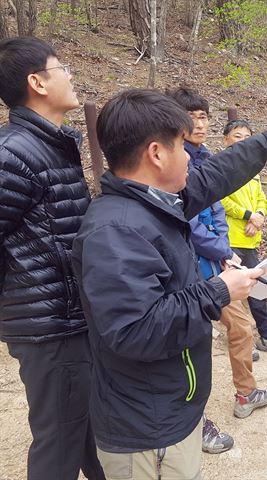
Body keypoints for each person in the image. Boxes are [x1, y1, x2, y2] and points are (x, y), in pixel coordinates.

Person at [70, 89, 267, 480]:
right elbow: (135, 331)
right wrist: (219, 290)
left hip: (168, 408)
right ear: (156, 153)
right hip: (146, 428)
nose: (189, 156)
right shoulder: (115, 231)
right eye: (181, 146)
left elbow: (214, 176)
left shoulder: (156, 202)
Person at [0, 37, 105, 480]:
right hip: (49, 328)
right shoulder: (13, 153)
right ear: (37, 82)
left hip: (67, 319)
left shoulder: (51, 145)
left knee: (88, 433)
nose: (70, 77)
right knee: (59, 446)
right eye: (63, 68)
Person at [167, 88, 267, 450]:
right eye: (192, 116)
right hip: (185, 267)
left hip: (215, 262)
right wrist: (222, 248)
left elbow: (212, 207)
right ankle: (191, 423)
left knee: (242, 326)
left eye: (204, 116)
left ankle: (246, 394)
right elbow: (186, 220)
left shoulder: (205, 157)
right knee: (188, 344)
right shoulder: (170, 159)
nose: (199, 123)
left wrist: (224, 252)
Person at [220, 119, 267, 355]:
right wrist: (249, 216)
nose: (242, 141)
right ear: (225, 140)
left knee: (258, 292)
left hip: (250, 240)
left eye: (247, 137)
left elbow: (262, 198)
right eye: (237, 136)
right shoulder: (220, 165)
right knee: (232, 297)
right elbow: (220, 200)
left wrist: (259, 215)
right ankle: (240, 339)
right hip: (229, 240)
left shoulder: (253, 168)